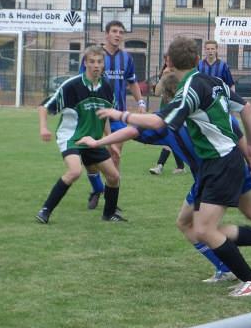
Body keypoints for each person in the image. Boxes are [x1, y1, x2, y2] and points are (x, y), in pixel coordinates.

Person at [96, 36, 251, 297]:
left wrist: (116, 117)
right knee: (211, 221)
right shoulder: (214, 84)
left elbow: (149, 125)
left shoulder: (186, 96)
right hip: (224, 162)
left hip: (217, 165)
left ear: (169, 63)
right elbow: (242, 115)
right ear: (197, 59)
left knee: (205, 229)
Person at [36, 45, 125, 224]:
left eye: (99, 62)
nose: (96, 65)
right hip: (72, 137)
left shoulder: (107, 87)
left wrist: (110, 142)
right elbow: (44, 107)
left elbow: (106, 116)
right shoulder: (72, 85)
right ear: (85, 63)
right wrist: (43, 128)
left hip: (93, 140)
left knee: (114, 176)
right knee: (75, 171)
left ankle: (109, 214)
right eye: (92, 61)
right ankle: (45, 210)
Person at [80, 20, 146, 210]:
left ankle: (112, 202)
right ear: (106, 34)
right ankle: (96, 188)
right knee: (91, 159)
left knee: (115, 157)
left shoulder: (127, 59)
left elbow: (132, 82)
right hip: (95, 115)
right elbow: (81, 82)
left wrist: (140, 102)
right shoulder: (94, 56)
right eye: (115, 31)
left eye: (121, 32)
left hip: (117, 116)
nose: (118, 35)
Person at [148, 58, 185, 175]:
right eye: (167, 60)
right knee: (172, 139)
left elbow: (179, 92)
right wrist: (163, 77)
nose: (169, 62)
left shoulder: (180, 74)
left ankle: (159, 165)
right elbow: (157, 93)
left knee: (169, 138)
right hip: (164, 110)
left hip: (176, 110)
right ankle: (180, 166)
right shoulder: (164, 73)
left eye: (171, 60)